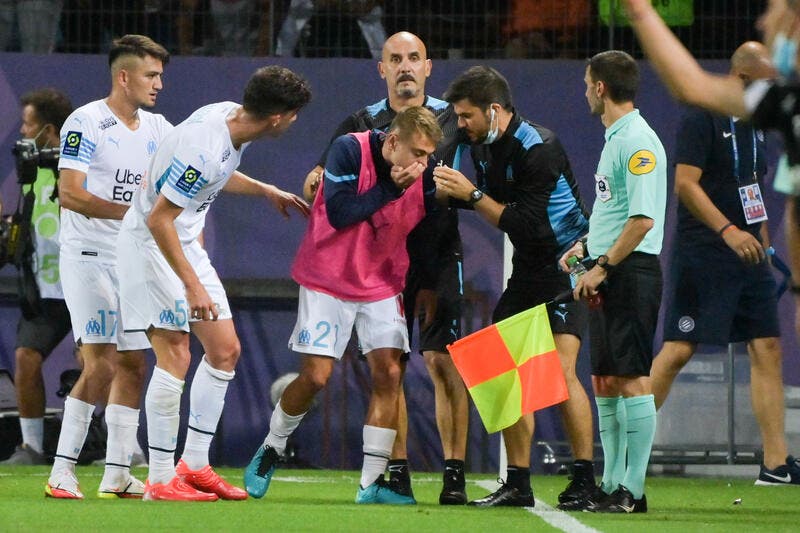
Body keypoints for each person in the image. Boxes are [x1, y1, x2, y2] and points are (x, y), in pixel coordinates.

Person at [621, 0, 800, 484]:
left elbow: (754, 187)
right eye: (764, 74)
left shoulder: (764, 125)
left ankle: (776, 465)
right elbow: (685, 184)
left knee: (767, 346)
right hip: (706, 250)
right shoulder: (705, 116)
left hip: (749, 254)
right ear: (743, 77)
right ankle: (620, 451)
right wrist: (729, 231)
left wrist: (762, 240)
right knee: (678, 349)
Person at [117, 65, 312, 502]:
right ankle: (162, 479)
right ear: (278, 117)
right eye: (295, 114)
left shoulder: (227, 115)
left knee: (224, 351)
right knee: (176, 352)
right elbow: (159, 218)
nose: (295, 121)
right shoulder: (205, 147)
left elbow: (214, 177)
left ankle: (196, 464)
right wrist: (193, 286)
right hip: (152, 245)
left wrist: (264, 189)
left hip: (182, 241)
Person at [244, 106, 442, 505]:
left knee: (388, 373)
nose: (423, 163)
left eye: (428, 155)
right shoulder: (349, 150)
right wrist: (392, 189)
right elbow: (339, 212)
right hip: (327, 278)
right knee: (317, 377)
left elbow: (433, 229)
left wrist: (430, 282)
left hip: (382, 283)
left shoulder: (426, 174)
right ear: (392, 142)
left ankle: (370, 483)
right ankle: (272, 446)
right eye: (417, 153)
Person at [302, 30, 468, 505]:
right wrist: (314, 182)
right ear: (382, 69)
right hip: (381, 258)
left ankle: (453, 474)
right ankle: (396, 472)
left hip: (438, 253)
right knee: (389, 365)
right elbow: (321, 179)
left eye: (414, 57)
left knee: (443, 360)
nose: (405, 66)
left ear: (428, 66)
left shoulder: (452, 119)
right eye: (395, 58)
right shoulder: (361, 122)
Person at [433, 65, 597, 509]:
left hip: (567, 262)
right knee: (503, 369)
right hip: (528, 268)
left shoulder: (539, 147)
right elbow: (495, 207)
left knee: (561, 372)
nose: (460, 125)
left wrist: (467, 196)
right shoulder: (481, 147)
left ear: (494, 110)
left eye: (466, 116)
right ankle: (518, 482)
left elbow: (524, 223)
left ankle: (585, 479)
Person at [45, 34, 171, 500]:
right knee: (99, 365)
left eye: (160, 75)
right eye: (150, 75)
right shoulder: (87, 121)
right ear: (124, 76)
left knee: (133, 365)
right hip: (89, 257)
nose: (159, 84)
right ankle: (61, 472)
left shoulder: (158, 128)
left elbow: (199, 161)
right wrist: (134, 212)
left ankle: (117, 472)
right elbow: (72, 193)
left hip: (131, 260)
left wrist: (264, 189)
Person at [559, 50, 666, 513]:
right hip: (609, 267)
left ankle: (634, 490)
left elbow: (642, 221)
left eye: (587, 84)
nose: (585, 91)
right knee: (604, 379)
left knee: (632, 379)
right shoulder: (617, 138)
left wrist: (601, 265)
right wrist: (585, 248)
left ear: (600, 87)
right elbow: (616, 210)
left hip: (630, 272)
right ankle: (611, 483)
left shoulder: (637, 140)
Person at [0, 88, 73, 465]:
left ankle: (124, 447)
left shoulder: (80, 162)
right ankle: (33, 448)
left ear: (47, 130)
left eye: (27, 125)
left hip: (85, 283)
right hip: (43, 287)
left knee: (104, 364)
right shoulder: (27, 168)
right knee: (26, 358)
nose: (21, 132)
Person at [275, 0, 386, 59]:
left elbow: (367, 8)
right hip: (319, 25)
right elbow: (318, 3)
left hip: (356, 29)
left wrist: (343, 6)